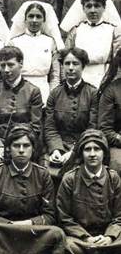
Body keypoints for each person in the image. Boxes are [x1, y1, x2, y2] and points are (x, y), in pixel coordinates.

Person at [0, 124, 66, 254]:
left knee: (57, 233)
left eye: (26, 146)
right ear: (8, 148)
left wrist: (29, 224)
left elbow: (50, 215)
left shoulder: (42, 174)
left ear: (33, 149)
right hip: (4, 232)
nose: (21, 150)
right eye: (16, 145)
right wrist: (10, 225)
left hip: (33, 233)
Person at [0, 46, 44, 181]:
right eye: (2, 65)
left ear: (21, 64)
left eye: (10, 64)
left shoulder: (33, 91)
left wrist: (15, 147)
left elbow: (35, 126)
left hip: (23, 145)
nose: (6, 70)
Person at [56, 129, 121, 254]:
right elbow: (65, 218)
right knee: (67, 248)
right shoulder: (70, 179)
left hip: (110, 237)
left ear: (104, 152)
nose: (92, 154)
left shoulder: (113, 178)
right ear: (81, 153)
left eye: (97, 149)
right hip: (79, 238)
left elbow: (119, 216)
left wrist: (109, 236)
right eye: (87, 149)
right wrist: (86, 237)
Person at [45, 48, 97, 179]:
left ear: (83, 66)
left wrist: (74, 152)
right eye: (67, 64)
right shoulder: (55, 94)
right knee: (47, 174)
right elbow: (50, 127)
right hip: (59, 145)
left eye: (75, 63)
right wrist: (56, 149)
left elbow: (92, 128)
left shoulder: (93, 94)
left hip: (84, 147)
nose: (70, 68)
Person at [62, 0, 121, 87]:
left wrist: (110, 84)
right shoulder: (76, 30)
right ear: (83, 9)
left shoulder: (113, 30)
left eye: (97, 6)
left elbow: (117, 61)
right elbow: (66, 57)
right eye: (89, 6)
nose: (93, 10)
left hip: (104, 77)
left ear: (104, 8)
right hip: (78, 77)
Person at [8, 1, 63, 103]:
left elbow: (55, 74)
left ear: (44, 20)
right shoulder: (14, 42)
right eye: (31, 16)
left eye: (38, 17)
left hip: (44, 90)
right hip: (19, 90)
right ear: (25, 19)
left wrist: (52, 95)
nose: (34, 20)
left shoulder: (50, 42)